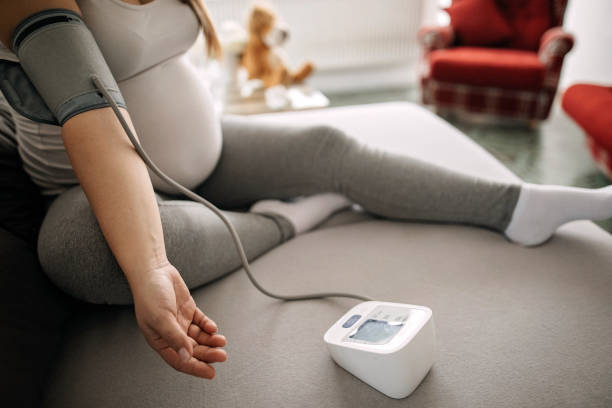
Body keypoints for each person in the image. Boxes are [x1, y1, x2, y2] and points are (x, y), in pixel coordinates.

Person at [1, 0, 611, 381]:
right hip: (99, 188)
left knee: (328, 145)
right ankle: (285, 221)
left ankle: (519, 206)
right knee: (81, 250)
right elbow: (94, 112)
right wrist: (153, 265)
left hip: (209, 151)